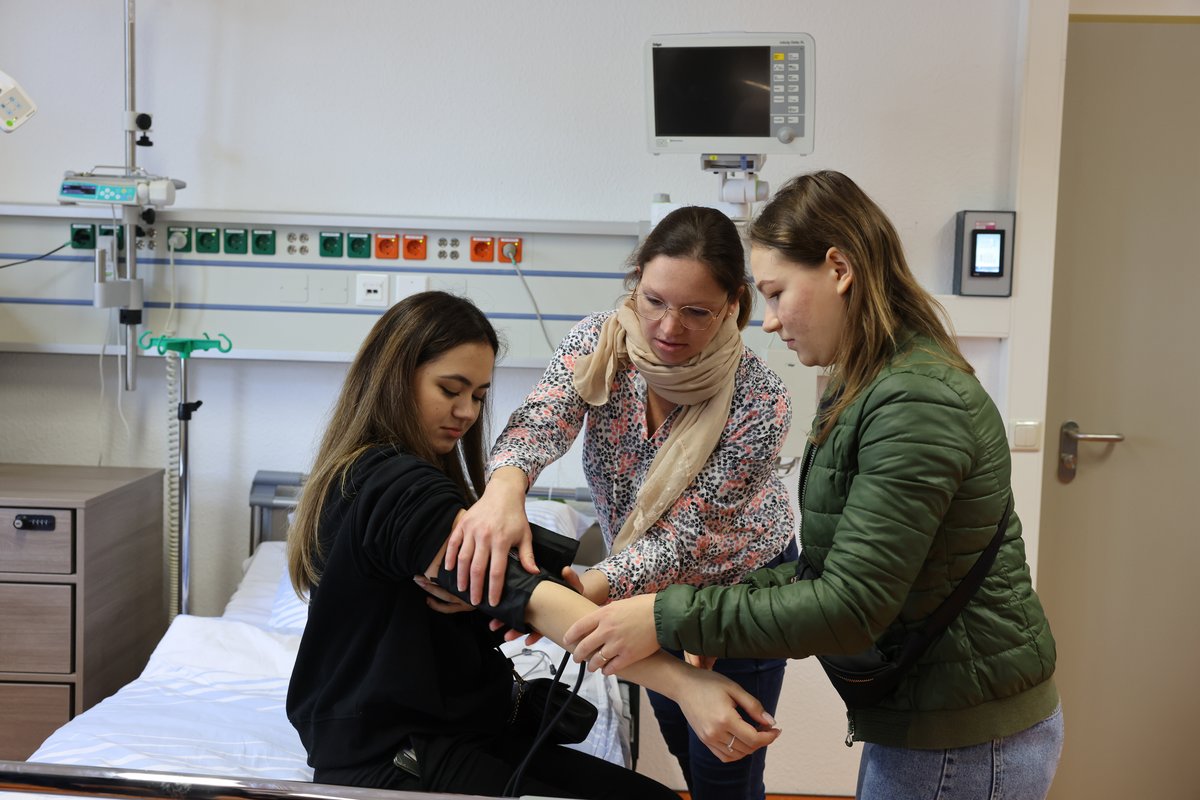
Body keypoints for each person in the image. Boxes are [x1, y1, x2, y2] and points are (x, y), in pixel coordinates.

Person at [564, 171, 1064, 800]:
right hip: (934, 710)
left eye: (775, 294)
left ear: (838, 268)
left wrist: (667, 615)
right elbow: (826, 571)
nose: (768, 322)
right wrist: (692, 622)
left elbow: (849, 607)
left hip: (962, 732)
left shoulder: (911, 400)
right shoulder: (870, 386)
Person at [284, 290, 779, 800]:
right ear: (394, 377)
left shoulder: (389, 478)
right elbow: (534, 601)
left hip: (460, 734)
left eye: (477, 395)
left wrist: (521, 583)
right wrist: (684, 685)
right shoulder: (392, 485)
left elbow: (514, 587)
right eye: (450, 389)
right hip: (401, 756)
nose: (466, 412)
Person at [442, 205, 796, 800]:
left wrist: (579, 592)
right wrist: (503, 490)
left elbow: (687, 537)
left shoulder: (760, 402)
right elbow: (541, 421)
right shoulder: (601, 342)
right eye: (654, 300)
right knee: (683, 741)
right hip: (643, 587)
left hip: (741, 587)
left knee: (725, 769)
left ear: (734, 302)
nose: (667, 326)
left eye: (695, 311)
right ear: (636, 282)